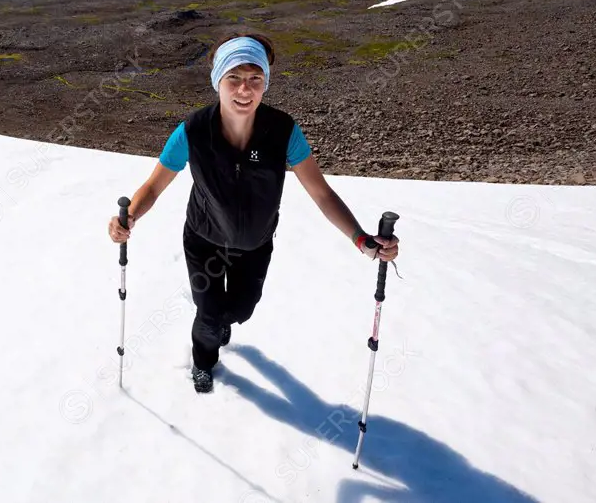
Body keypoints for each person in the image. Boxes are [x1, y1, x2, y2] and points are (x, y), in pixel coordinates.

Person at [107, 33, 400, 393]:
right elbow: (153, 186)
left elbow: (321, 193)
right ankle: (203, 361)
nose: (244, 90)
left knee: (240, 311)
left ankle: (221, 322)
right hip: (205, 241)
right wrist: (130, 217)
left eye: (255, 80)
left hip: (255, 244)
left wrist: (360, 239)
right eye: (234, 78)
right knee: (210, 314)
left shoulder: (282, 132)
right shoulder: (193, 131)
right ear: (218, 82)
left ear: (265, 84)